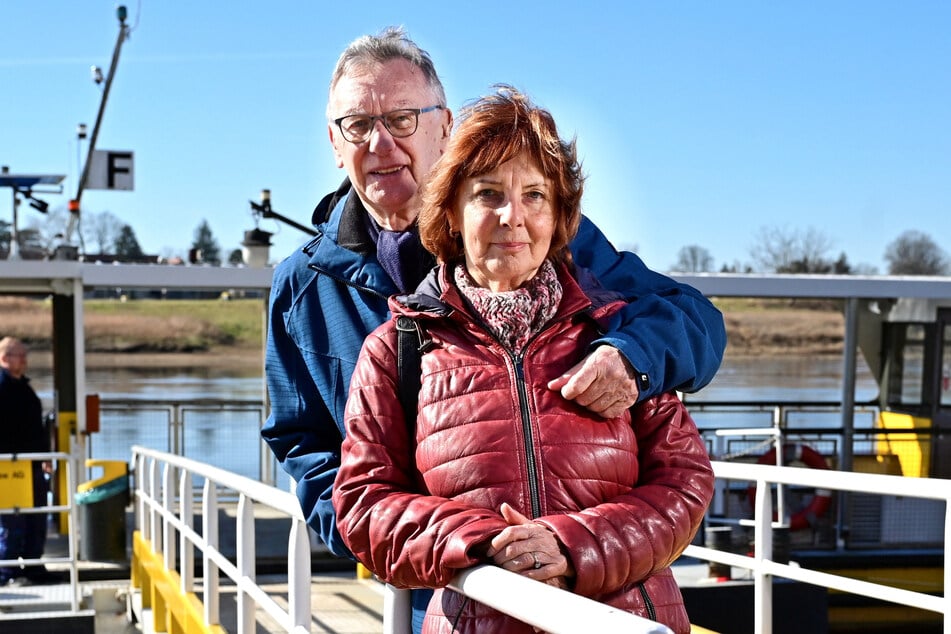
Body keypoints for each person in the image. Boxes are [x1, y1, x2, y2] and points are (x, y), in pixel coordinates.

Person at [260, 26, 724, 630]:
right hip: (438, 588)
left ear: (443, 124)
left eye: (402, 119)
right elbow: (303, 442)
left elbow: (694, 324)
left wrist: (630, 357)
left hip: (605, 604)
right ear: (333, 140)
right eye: (357, 125)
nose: (380, 143)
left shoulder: (548, 244)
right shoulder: (304, 286)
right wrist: (402, 544)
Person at [0, 337, 53, 587]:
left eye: (24, 354)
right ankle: (7, 572)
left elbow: (35, 428)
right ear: (4, 357)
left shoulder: (25, 387)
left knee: (36, 518)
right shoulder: (1, 387)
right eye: (19, 355)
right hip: (8, 467)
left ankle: (33, 567)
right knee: (12, 522)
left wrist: (45, 456)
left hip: (31, 465)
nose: (24, 359)